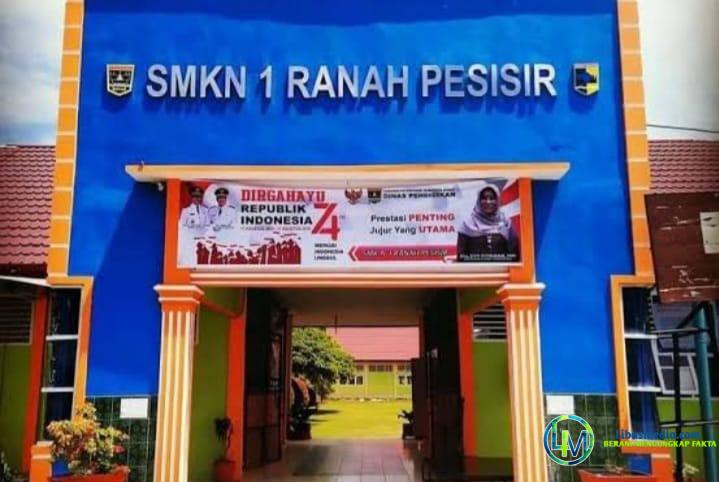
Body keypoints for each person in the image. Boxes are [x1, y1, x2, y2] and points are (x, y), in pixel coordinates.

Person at [456, 183, 518, 262]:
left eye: (491, 198)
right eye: (484, 198)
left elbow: (513, 256)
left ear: (497, 201)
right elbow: (461, 257)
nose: (488, 202)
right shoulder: (467, 225)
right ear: (478, 201)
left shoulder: (506, 224)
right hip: (475, 269)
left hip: (500, 269)